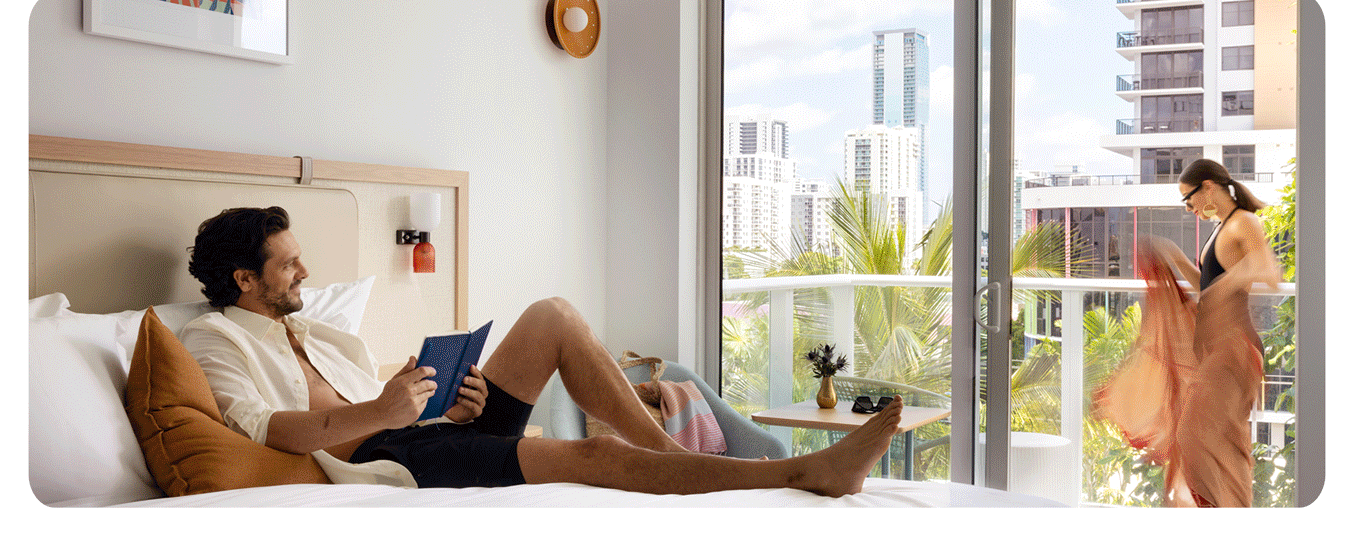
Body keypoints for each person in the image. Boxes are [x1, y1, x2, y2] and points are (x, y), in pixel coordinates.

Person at [182, 206, 903, 496]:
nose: (304, 273)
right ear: (243, 279)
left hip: (425, 428)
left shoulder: (312, 329)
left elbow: (366, 398)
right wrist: (382, 409)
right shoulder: (210, 339)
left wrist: (445, 401)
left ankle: (672, 461)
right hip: (386, 458)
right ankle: (801, 474)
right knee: (586, 459)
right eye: (287, 266)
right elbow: (267, 429)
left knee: (552, 315)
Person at [1096, 159, 1283, 507]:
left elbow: (1268, 270)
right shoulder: (1221, 226)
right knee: (1213, 439)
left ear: (1208, 187)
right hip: (1213, 347)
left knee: (1200, 438)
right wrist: (1173, 256)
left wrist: (1223, 290)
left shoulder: (1245, 221)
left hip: (1234, 348)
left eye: (1189, 198)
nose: (1189, 207)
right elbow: (1205, 285)